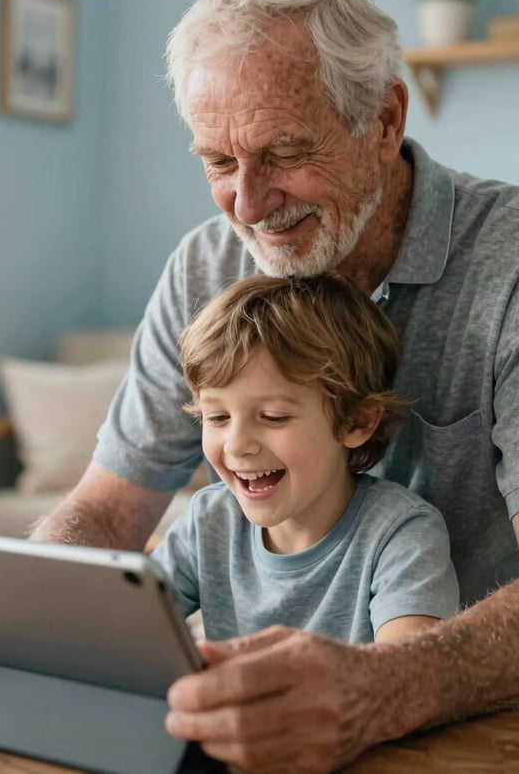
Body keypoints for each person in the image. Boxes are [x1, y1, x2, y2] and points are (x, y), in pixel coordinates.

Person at [0, 0, 519, 772]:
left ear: (383, 119)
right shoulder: (206, 268)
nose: (249, 205)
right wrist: (8, 613)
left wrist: (380, 687)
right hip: (275, 726)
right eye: (218, 163)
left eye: (285, 152)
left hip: (517, 710)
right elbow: (107, 510)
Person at [149, 272, 459, 643]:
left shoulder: (401, 534)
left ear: (356, 422)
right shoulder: (209, 521)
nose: (236, 445)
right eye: (217, 417)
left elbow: (408, 674)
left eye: (273, 417)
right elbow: (122, 626)